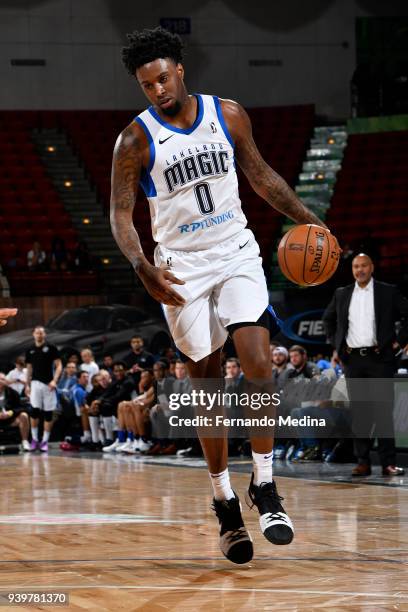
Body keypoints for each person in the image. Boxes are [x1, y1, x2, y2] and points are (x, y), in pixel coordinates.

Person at [110, 27, 330, 564]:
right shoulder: (134, 141)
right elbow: (119, 214)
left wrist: (313, 222)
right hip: (179, 268)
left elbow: (261, 176)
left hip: (235, 250)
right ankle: (224, 503)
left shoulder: (227, 114)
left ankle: (264, 484)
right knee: (205, 386)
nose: (158, 89)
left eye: (163, 77)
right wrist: (141, 265)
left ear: (180, 69)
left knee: (257, 362)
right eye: (147, 84)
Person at [322, 253, 408, 476]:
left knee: (383, 411)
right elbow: (327, 319)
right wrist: (337, 345)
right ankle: (363, 462)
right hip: (353, 360)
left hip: (380, 358)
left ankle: (388, 463)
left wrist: (399, 341)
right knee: (360, 413)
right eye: (355, 266)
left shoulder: (387, 291)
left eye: (363, 266)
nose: (359, 270)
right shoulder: (342, 293)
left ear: (372, 267)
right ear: (352, 270)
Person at [25, 326, 62, 452]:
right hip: (35, 383)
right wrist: (27, 385)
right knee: (34, 412)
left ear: (45, 334)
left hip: (48, 384)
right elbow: (29, 369)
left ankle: (45, 441)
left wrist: (54, 381)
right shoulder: (30, 350)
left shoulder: (51, 348)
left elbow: (59, 366)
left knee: (48, 413)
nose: (39, 335)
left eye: (41, 333)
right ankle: (34, 439)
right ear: (33, 334)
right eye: (37, 333)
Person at [0, 373, 31, 452]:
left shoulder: (12, 392)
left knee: (24, 416)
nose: (0, 381)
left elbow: (22, 408)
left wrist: (10, 413)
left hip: (10, 419)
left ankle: (25, 441)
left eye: (3, 379)